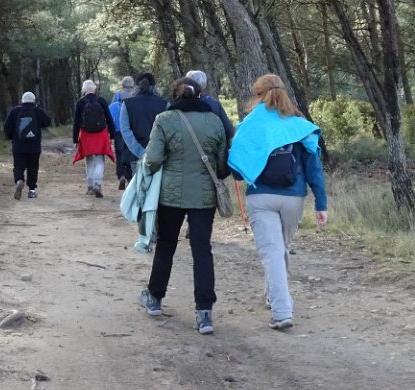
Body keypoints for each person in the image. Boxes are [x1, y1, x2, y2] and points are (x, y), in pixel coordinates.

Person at [227, 74, 328, 331]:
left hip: (260, 196)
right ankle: (273, 297)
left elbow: (237, 172)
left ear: (258, 95)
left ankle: (282, 312)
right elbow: (314, 168)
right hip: (294, 197)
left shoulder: (249, 126)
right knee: (279, 248)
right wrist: (321, 204)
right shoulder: (299, 126)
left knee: (272, 252)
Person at [138, 77, 228, 336]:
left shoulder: (164, 120)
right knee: (202, 249)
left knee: (166, 245)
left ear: (175, 96)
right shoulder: (214, 121)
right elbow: (222, 164)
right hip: (204, 196)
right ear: (200, 95)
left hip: (170, 196)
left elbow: (153, 159)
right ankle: (204, 312)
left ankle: (155, 298)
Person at [3, 91, 52, 200]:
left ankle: (19, 180)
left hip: (18, 146)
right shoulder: (37, 111)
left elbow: (6, 127)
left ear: (22, 100)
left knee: (18, 166)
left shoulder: (15, 111)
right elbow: (47, 122)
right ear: (34, 101)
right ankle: (31, 190)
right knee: (33, 167)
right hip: (34, 146)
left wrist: (11, 137)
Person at [72, 79, 116, 198]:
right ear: (94, 89)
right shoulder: (101, 100)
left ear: (84, 89)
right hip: (101, 133)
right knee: (100, 159)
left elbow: (76, 122)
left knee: (89, 159)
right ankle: (98, 183)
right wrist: (112, 135)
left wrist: (75, 139)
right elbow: (109, 118)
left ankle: (90, 186)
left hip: (86, 134)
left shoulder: (80, 102)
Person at [119, 72, 167, 172]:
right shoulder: (165, 104)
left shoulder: (127, 104)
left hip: (135, 156)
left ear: (136, 87)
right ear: (154, 87)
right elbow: (167, 131)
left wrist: (140, 152)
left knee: (138, 182)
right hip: (159, 156)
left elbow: (125, 131)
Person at [185, 69, 235, 143]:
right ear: (204, 85)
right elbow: (229, 131)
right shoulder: (213, 103)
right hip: (214, 145)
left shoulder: (180, 105)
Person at [110, 75, 135, 190]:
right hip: (130, 129)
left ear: (122, 85)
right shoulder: (134, 95)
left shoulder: (117, 95)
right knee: (130, 153)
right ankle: (130, 177)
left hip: (118, 130)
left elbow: (111, 112)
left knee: (119, 153)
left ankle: (121, 175)